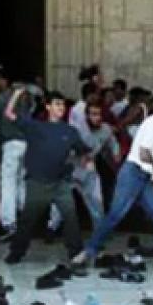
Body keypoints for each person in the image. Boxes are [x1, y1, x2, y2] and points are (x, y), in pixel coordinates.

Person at [70, 89, 153, 267]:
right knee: (116, 214)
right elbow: (144, 152)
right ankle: (89, 251)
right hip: (134, 173)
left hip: (145, 175)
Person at [4, 89, 91, 264]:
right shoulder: (36, 126)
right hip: (38, 182)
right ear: (48, 107)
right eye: (57, 104)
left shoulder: (70, 131)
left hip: (61, 182)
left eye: (63, 105)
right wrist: (16, 94)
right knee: (28, 219)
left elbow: (83, 151)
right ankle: (16, 252)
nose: (61, 108)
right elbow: (9, 114)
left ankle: (76, 254)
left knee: (71, 217)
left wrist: (86, 161)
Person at [49, 99, 122, 231]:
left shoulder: (105, 129)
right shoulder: (76, 129)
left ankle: (99, 231)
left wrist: (116, 154)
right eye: (93, 114)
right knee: (60, 202)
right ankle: (52, 229)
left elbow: (113, 142)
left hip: (88, 170)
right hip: (70, 168)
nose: (97, 118)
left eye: (99, 114)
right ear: (87, 116)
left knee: (96, 201)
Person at [0, 68, 34, 242]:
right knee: (21, 182)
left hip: (11, 144)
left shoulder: (3, 98)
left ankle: (9, 224)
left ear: (4, 80)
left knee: (7, 183)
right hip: (27, 143)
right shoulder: (27, 96)